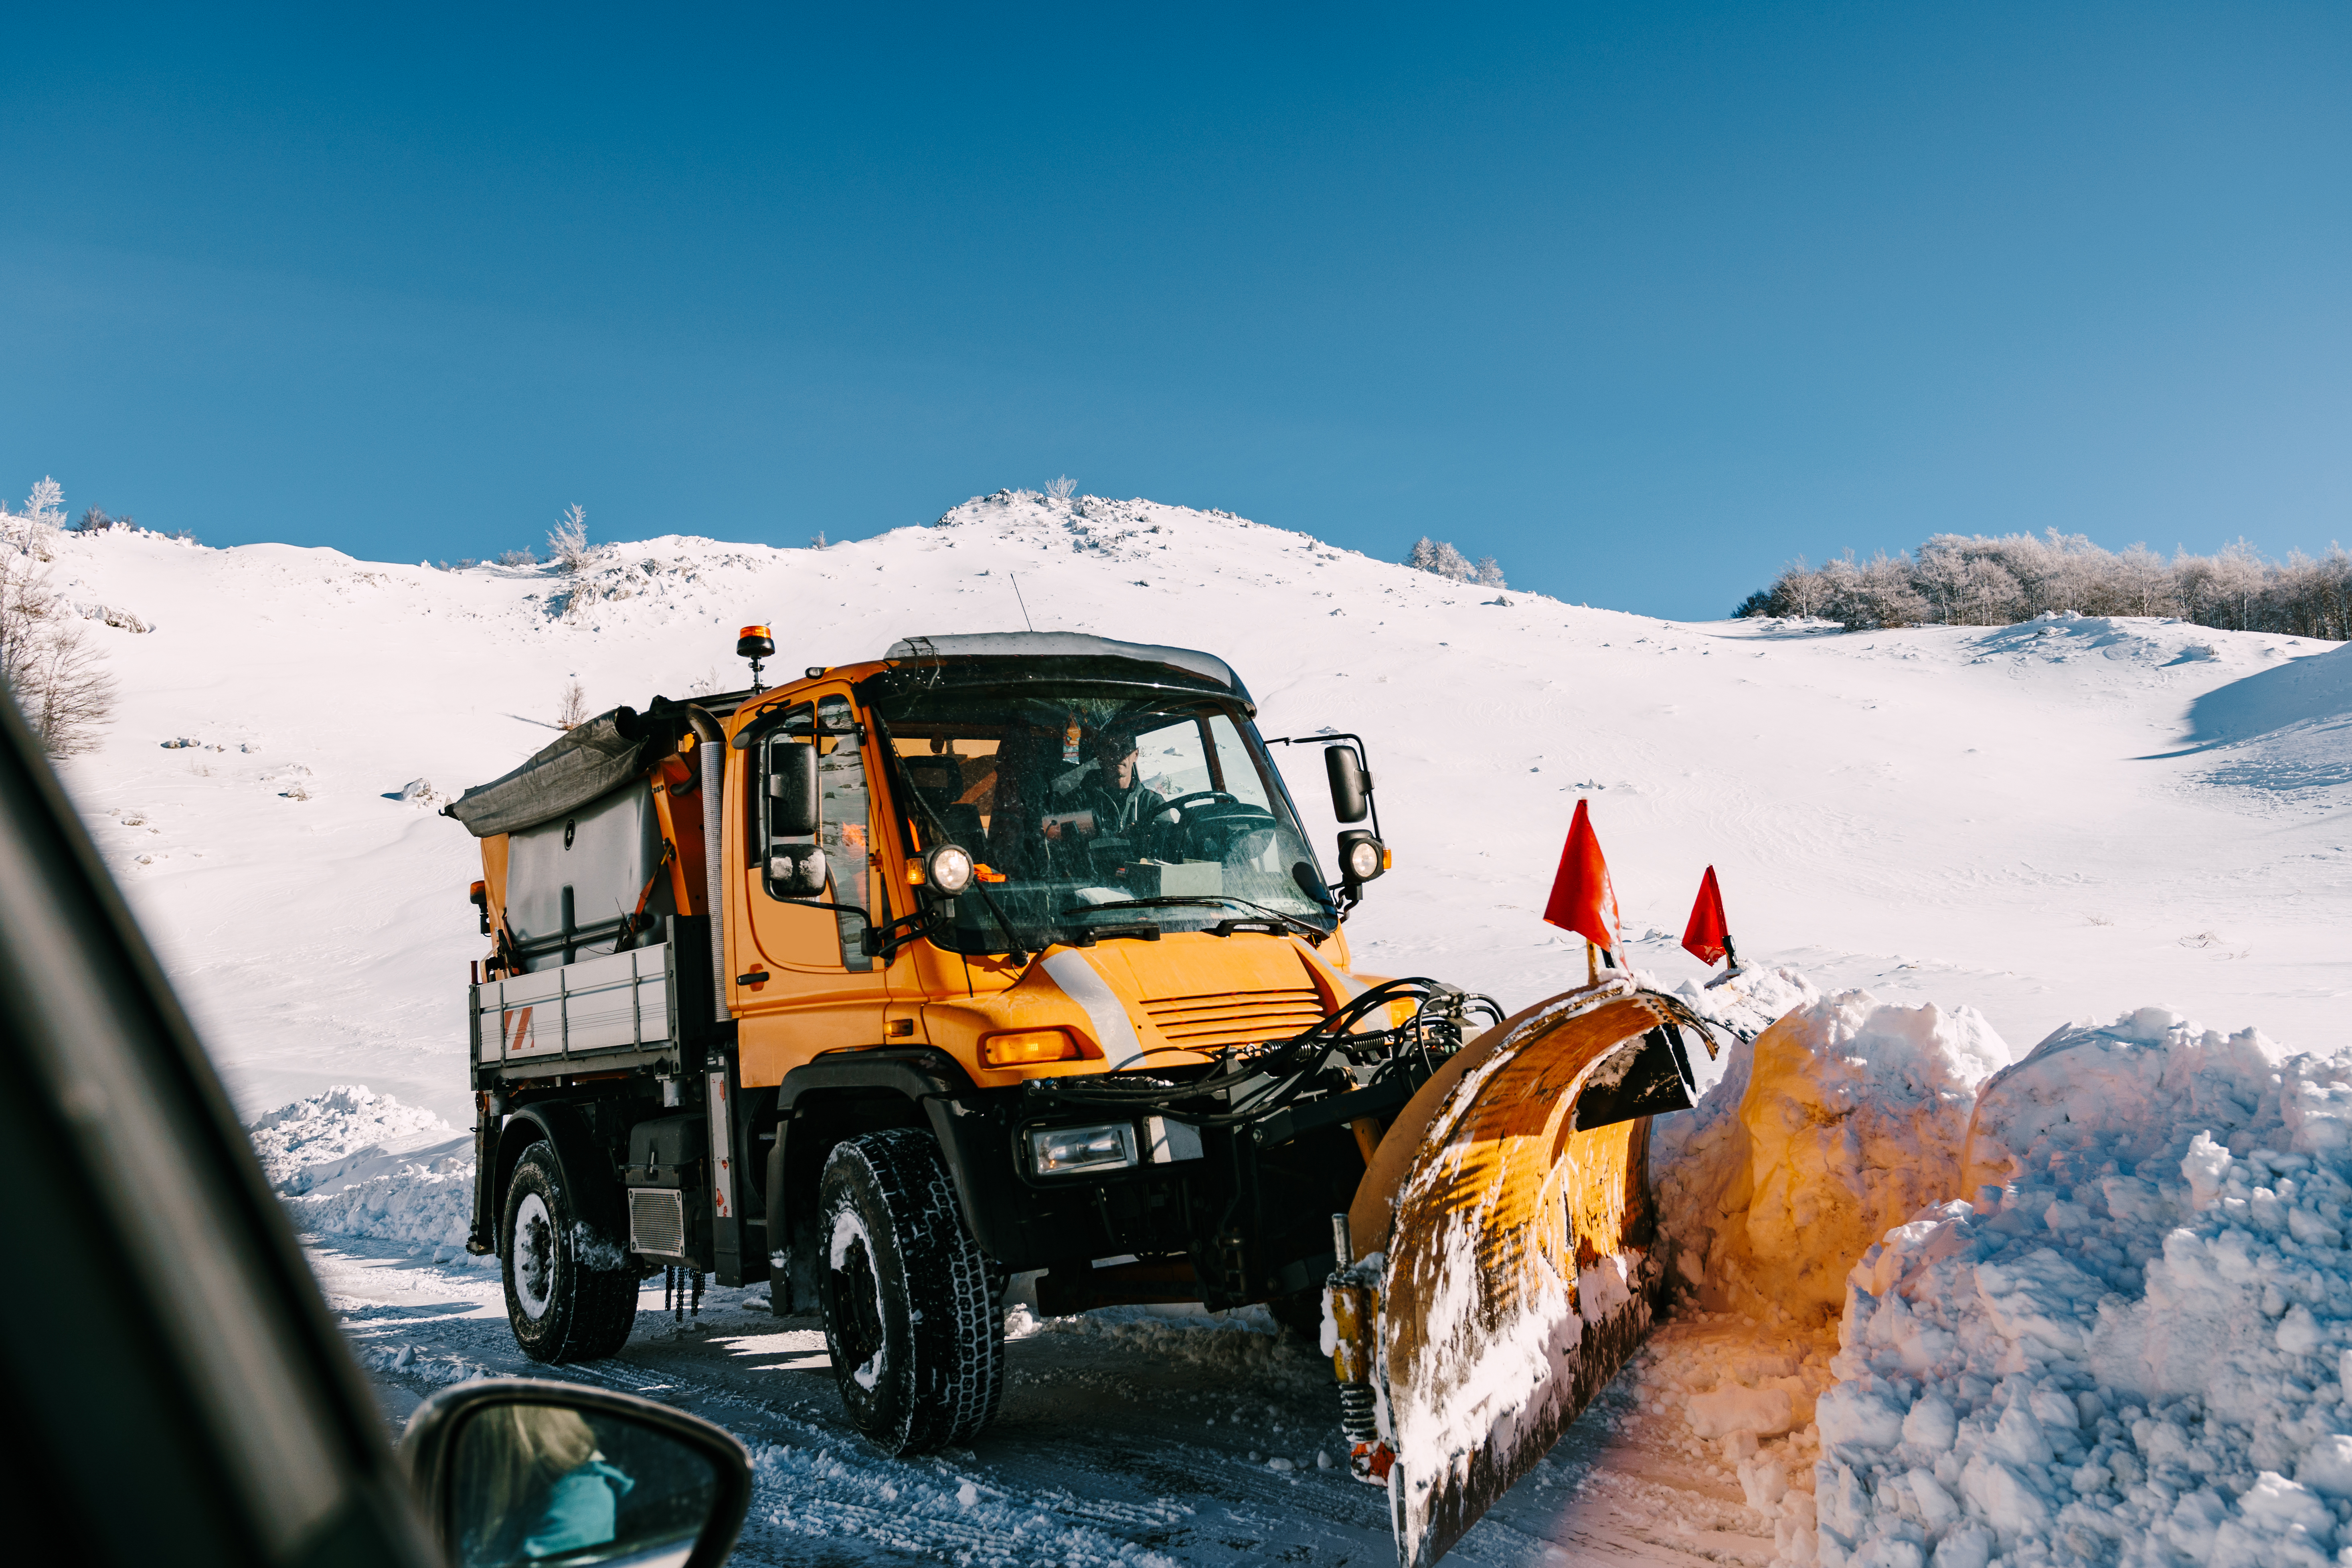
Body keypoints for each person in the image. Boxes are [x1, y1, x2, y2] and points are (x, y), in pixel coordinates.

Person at [1044, 729, 1166, 852]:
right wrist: (1117, 837)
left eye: (1124, 748)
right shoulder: (1078, 800)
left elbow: (1167, 838)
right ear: (1100, 756)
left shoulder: (1152, 802)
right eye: (1110, 749)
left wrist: (1146, 833)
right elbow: (1059, 842)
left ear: (1136, 755)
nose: (1118, 755)